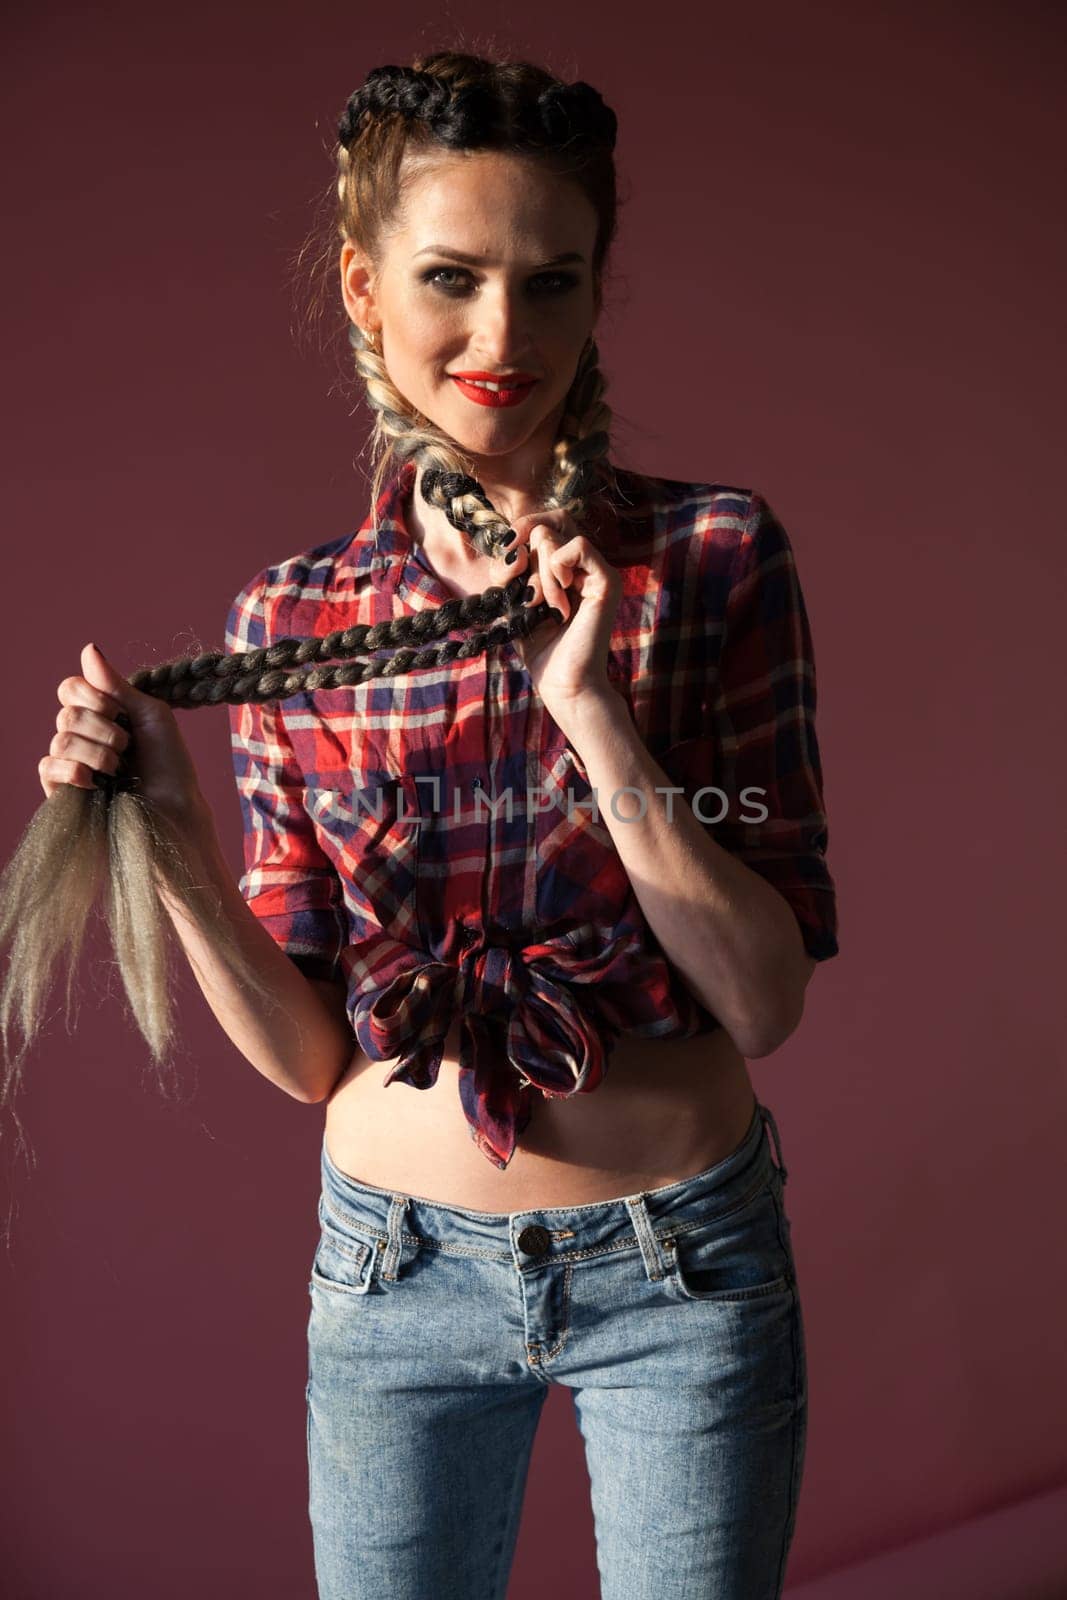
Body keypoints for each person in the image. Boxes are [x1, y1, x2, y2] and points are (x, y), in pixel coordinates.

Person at [33, 50, 838, 1600]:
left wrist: (590, 709)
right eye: (452, 277)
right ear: (362, 283)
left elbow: (765, 998)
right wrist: (172, 837)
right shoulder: (297, 620)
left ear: (601, 291)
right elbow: (313, 1059)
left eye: (552, 281)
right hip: (394, 1275)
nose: (500, 335)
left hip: (682, 1269)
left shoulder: (714, 557)